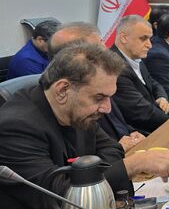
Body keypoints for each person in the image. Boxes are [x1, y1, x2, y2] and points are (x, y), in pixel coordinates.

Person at [0, 43, 169, 209]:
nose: (107, 108)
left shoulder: (79, 111)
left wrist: (89, 175)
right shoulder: (14, 127)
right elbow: (57, 200)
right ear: (63, 90)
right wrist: (132, 165)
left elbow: (112, 148)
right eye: (99, 97)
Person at [49, 21, 146, 152]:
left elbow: (116, 122)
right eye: (98, 49)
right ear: (73, 58)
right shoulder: (74, 103)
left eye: (102, 42)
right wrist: (119, 148)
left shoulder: (100, 83)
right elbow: (83, 158)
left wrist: (132, 133)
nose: (106, 50)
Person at [111, 15, 169, 134]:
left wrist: (162, 97)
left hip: (156, 121)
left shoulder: (135, 57)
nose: (150, 45)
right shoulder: (114, 67)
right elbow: (141, 112)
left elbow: (153, 83)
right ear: (124, 38)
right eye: (143, 39)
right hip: (141, 132)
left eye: (150, 39)